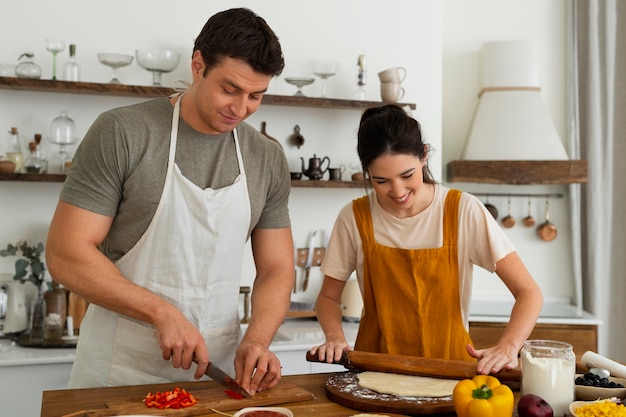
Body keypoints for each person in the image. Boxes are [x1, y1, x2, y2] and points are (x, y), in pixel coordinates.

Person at [46, 8, 294, 393]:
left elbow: (277, 267)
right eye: (229, 89)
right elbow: (66, 253)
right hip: (120, 373)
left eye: (255, 95)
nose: (240, 108)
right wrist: (161, 312)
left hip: (216, 374)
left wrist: (258, 339)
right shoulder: (123, 133)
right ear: (198, 64)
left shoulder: (267, 157)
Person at [309, 104, 543, 375]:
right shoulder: (354, 217)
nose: (397, 191)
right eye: (381, 180)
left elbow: (529, 292)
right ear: (367, 172)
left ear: (424, 156)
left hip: (450, 370)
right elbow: (327, 297)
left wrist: (509, 345)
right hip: (374, 372)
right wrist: (335, 336)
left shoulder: (461, 210)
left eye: (407, 175)